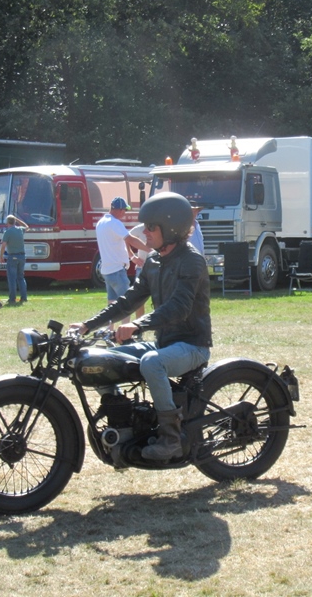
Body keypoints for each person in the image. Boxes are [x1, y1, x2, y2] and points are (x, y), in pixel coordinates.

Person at [71, 192, 212, 461]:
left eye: (150, 227)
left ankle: (171, 439)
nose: (144, 232)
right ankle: (122, 421)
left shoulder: (191, 260)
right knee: (100, 361)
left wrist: (137, 324)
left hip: (192, 345)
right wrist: (88, 325)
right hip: (163, 343)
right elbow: (128, 301)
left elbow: (179, 307)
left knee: (152, 363)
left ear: (171, 228)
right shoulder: (154, 261)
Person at [96, 196, 150, 310]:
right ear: (120, 210)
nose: (125, 213)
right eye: (124, 210)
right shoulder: (115, 223)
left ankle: (110, 323)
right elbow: (130, 239)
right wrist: (149, 249)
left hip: (106, 270)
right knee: (127, 304)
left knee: (112, 304)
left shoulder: (101, 222)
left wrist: (132, 256)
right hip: (117, 270)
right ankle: (124, 322)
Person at [0, 214, 29, 305]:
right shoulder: (20, 230)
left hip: (12, 256)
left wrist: (1, 256)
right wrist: (17, 219)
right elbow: (27, 227)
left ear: (7, 222)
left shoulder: (7, 232)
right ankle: (24, 297)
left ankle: (12, 298)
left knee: (12, 278)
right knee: (21, 277)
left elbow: (3, 245)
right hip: (22, 256)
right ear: (15, 221)